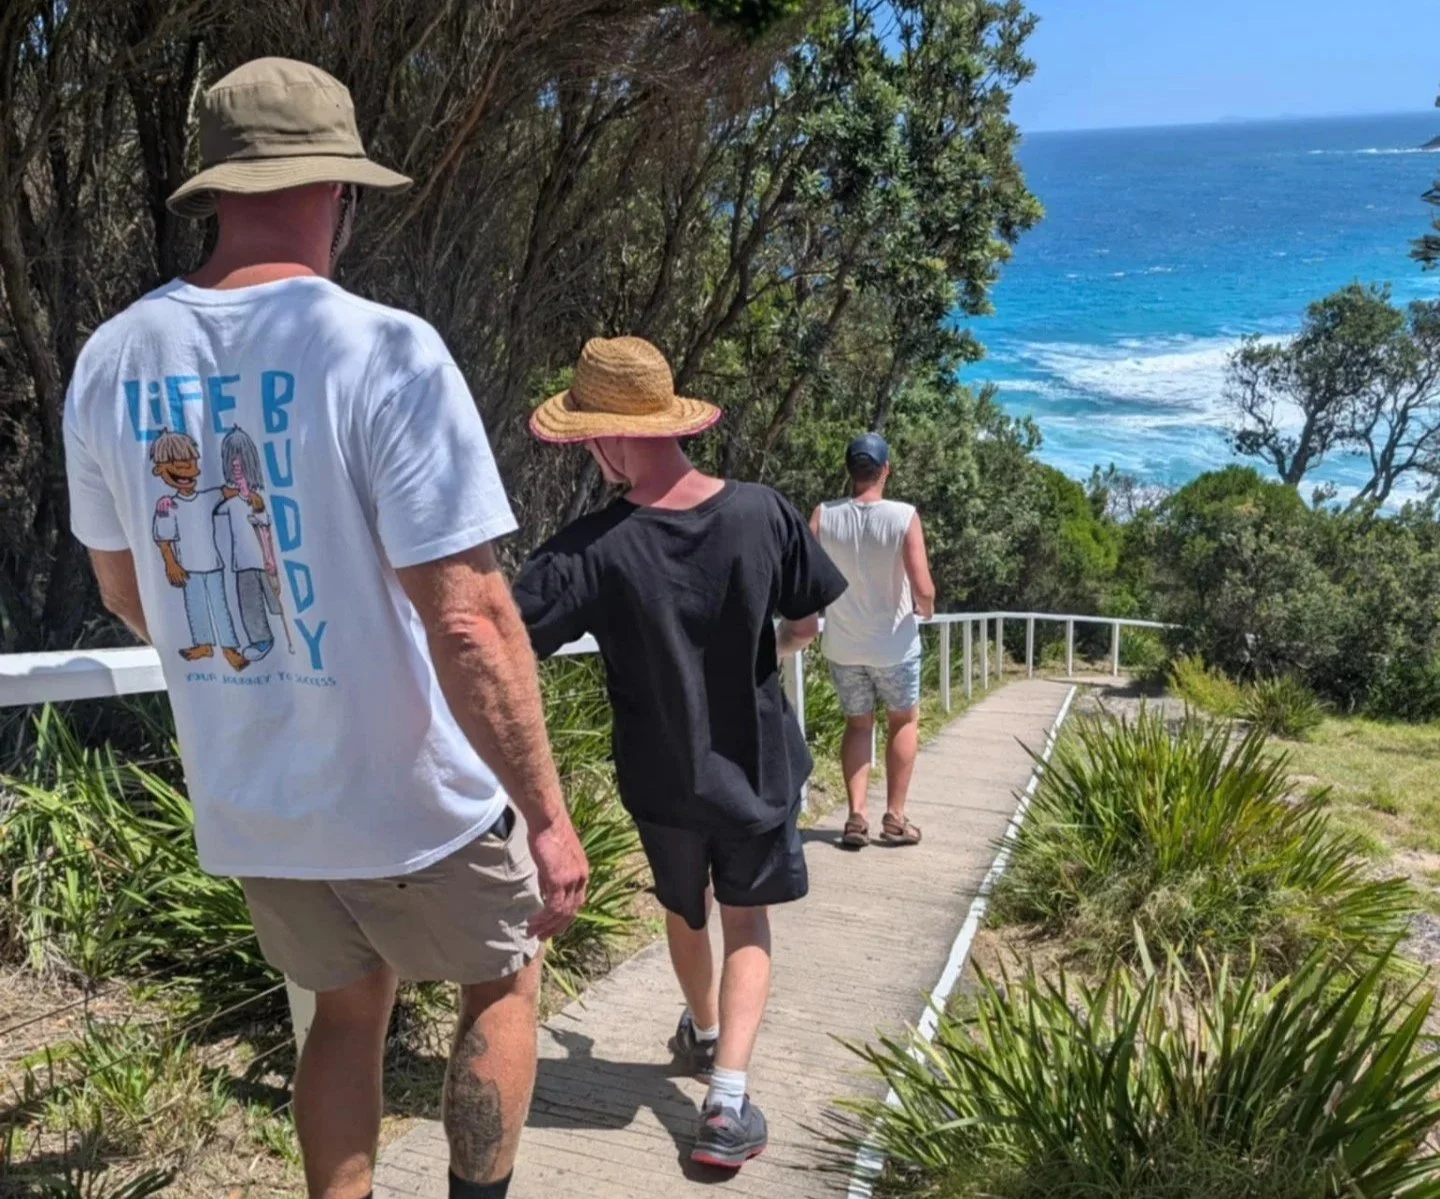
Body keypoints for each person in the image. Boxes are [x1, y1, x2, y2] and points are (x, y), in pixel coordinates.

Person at [62, 58, 588, 1199]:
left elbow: (125, 589)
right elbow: (472, 618)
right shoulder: (384, 349)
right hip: (412, 800)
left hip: (259, 803)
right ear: (339, 193)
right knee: (505, 977)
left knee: (345, 1013)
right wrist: (547, 817)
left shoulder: (111, 358)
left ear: (214, 192)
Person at [513, 336, 847, 1171]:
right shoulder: (764, 511)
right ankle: (727, 1099)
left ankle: (702, 1030)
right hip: (759, 767)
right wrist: (771, 645)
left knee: (683, 905)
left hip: (660, 777)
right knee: (748, 917)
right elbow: (807, 618)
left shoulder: (587, 549)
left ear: (613, 438)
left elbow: (500, 643)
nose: (591, 453)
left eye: (590, 437)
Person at [811, 433, 936, 850]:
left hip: (844, 646)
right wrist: (927, 609)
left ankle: (856, 816)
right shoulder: (904, 516)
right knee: (903, 720)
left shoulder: (823, 516)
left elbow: (805, 579)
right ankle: (896, 817)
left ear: (849, 470)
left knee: (858, 723)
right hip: (894, 646)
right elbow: (923, 587)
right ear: (886, 470)